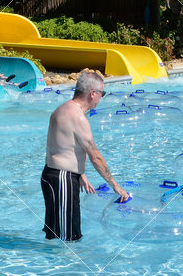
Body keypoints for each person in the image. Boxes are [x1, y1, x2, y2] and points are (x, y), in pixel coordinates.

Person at [42, 71, 130, 241]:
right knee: (69, 239)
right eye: (102, 94)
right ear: (92, 93)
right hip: (62, 180)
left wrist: (80, 173)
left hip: (53, 176)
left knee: (55, 236)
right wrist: (115, 185)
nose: (101, 98)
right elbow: (95, 156)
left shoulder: (62, 109)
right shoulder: (78, 117)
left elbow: (62, 145)